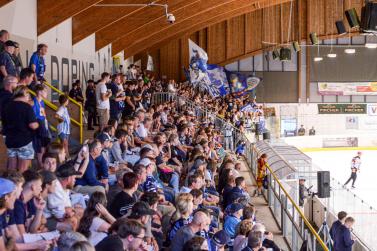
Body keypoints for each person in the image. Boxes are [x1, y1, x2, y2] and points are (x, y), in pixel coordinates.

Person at [2, 86, 39, 172]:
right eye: (28, 94)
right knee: (23, 171)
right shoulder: (26, 107)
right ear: (24, 94)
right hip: (24, 140)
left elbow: (4, 124)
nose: (29, 97)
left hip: (10, 140)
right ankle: (20, 185)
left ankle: (11, 184)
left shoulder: (7, 106)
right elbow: (33, 125)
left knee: (11, 170)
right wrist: (38, 123)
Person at [32, 84, 51, 167]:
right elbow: (34, 117)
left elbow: (43, 114)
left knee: (44, 146)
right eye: (45, 91)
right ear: (39, 92)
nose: (47, 93)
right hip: (38, 128)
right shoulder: (34, 102)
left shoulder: (42, 102)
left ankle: (42, 163)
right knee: (39, 147)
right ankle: (40, 164)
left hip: (44, 126)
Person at [55, 94, 71, 159]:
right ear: (65, 101)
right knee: (65, 144)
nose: (68, 101)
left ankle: (62, 158)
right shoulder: (61, 108)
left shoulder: (65, 108)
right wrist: (61, 119)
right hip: (62, 130)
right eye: (67, 100)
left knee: (63, 145)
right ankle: (68, 158)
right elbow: (56, 115)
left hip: (66, 130)